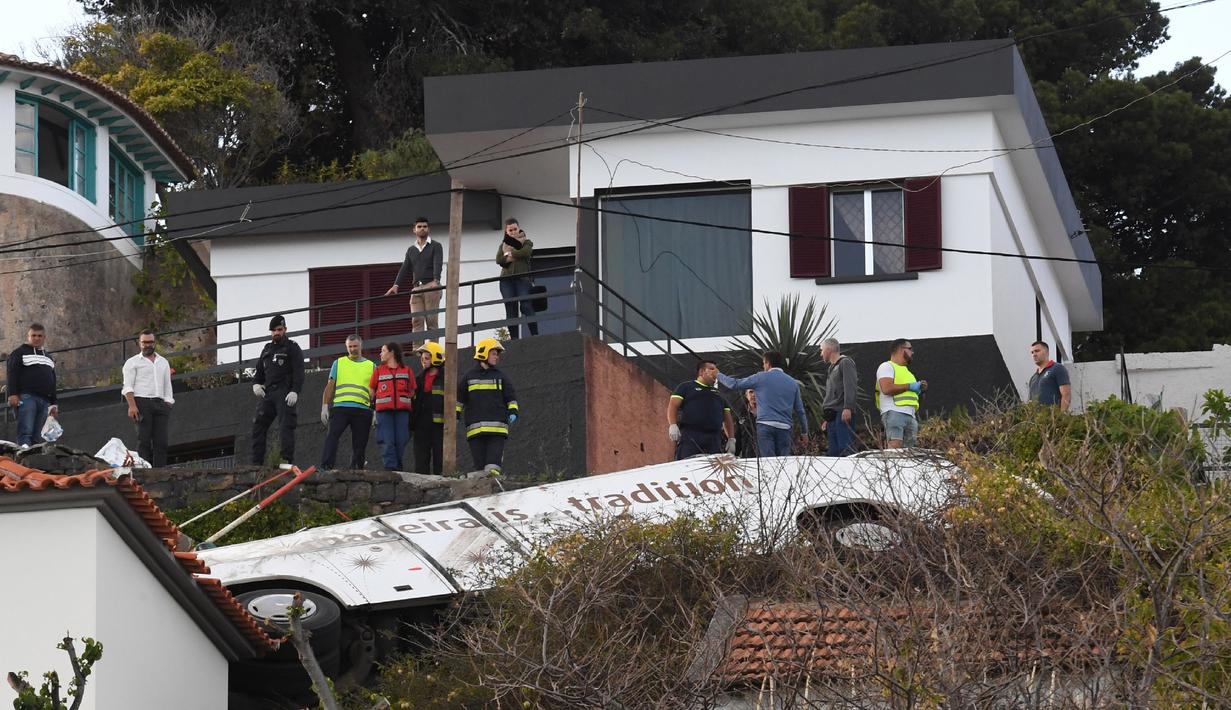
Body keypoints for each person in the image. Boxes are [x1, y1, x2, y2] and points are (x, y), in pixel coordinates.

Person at [717, 352, 808, 457]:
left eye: (764, 364)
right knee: (783, 463)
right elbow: (800, 411)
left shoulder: (761, 377)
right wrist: (804, 432)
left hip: (765, 426)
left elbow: (734, 384)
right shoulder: (792, 383)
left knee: (768, 463)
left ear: (768, 363)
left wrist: (718, 375)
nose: (763, 367)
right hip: (785, 428)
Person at [457, 338, 518, 476]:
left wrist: (513, 411)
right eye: (494, 353)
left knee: (493, 468)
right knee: (479, 469)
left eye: (497, 354)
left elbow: (511, 397)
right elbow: (459, 399)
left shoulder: (501, 377)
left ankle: (494, 489)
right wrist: (455, 414)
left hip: (497, 429)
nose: (496, 357)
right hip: (475, 430)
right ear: (483, 353)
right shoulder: (468, 377)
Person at [251, 315, 305, 466]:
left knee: (285, 426)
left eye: (279, 329)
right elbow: (259, 372)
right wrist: (256, 384)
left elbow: (299, 371)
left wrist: (295, 390)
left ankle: (285, 461)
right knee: (258, 426)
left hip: (284, 392)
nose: (276, 333)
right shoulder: (266, 349)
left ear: (285, 330)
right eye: (274, 330)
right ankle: (256, 464)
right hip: (268, 393)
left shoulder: (292, 347)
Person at [384, 217, 444, 348]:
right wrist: (396, 285)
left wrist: (436, 280)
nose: (422, 228)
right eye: (419, 226)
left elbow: (438, 263)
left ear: (428, 229)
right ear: (414, 230)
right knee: (416, 320)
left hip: (431, 286)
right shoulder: (411, 250)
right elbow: (405, 267)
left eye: (425, 226)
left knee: (431, 320)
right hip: (416, 288)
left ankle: (434, 350)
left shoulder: (436, 246)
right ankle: (417, 350)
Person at [320, 335, 377, 470]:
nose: (352, 349)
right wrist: (324, 406)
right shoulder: (338, 363)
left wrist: (376, 411)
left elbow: (375, 391)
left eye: (355, 346)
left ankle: (356, 470)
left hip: (363, 409)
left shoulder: (371, 366)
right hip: (341, 407)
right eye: (350, 347)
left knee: (360, 443)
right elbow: (330, 386)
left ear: (361, 346)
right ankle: (326, 466)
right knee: (332, 437)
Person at [121, 330, 174, 467]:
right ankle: (144, 473)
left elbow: (167, 385)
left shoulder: (163, 362)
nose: (147, 345)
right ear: (140, 343)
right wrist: (132, 406)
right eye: (144, 342)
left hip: (160, 404)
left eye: (150, 342)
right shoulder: (132, 363)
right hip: (141, 403)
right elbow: (127, 387)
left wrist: (168, 402)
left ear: (154, 343)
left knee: (161, 442)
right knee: (143, 441)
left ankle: (160, 473)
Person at [668, 360, 735, 459]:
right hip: (691, 436)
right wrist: (672, 424)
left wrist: (731, 438)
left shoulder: (719, 394)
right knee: (687, 466)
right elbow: (673, 405)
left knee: (714, 470)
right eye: (711, 369)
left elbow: (727, 418)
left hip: (714, 439)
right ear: (701, 372)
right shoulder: (686, 387)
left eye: (717, 370)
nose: (715, 373)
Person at [5, 323, 58, 448]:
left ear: (44, 337)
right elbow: (12, 374)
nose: (36, 338)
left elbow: (53, 381)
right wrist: (12, 394)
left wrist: (54, 403)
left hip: (44, 400)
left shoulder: (48, 357)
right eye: (33, 335)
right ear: (28, 336)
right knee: (26, 430)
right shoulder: (19, 353)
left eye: (40, 336)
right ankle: (23, 454)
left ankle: (33, 458)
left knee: (37, 435)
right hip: (26, 397)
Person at [371, 342, 415, 470]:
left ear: (391, 353)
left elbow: (412, 391)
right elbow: (371, 390)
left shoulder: (407, 370)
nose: (381, 353)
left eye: (383, 350)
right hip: (384, 413)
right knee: (387, 441)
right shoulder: (378, 370)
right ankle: (391, 469)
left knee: (401, 440)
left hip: (402, 412)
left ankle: (398, 468)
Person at [875, 339, 927, 449]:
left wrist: (920, 390)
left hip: (910, 415)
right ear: (900, 350)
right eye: (910, 349)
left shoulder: (908, 373)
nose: (912, 352)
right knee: (895, 451)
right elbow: (886, 388)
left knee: (909, 453)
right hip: (894, 412)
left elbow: (912, 397)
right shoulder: (887, 366)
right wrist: (910, 386)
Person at [496, 218, 538, 339]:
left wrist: (509, 254)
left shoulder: (527, 242)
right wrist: (515, 254)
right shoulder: (503, 245)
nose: (513, 232)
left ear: (519, 228)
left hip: (522, 279)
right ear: (506, 231)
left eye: (515, 229)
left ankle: (534, 334)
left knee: (526, 305)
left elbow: (526, 252)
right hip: (506, 280)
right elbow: (499, 260)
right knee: (510, 308)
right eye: (510, 230)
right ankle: (514, 339)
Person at [820, 338, 858, 457]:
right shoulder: (831, 368)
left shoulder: (845, 362)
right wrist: (827, 419)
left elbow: (850, 385)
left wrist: (848, 407)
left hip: (842, 412)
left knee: (845, 449)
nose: (821, 354)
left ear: (828, 349)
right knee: (834, 452)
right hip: (832, 415)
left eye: (822, 350)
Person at [412, 341, 446, 475]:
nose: (423, 361)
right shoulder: (418, 379)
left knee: (440, 460)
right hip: (421, 426)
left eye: (427, 358)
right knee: (420, 460)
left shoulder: (446, 379)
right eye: (422, 359)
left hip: (440, 426)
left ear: (436, 358)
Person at [1028, 340, 1071, 411]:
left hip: (1053, 417)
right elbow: (1031, 402)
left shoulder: (1057, 368)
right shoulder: (1033, 378)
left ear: (1047, 352)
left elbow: (1066, 394)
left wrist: (1061, 416)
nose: (1034, 354)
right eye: (1032, 352)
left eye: (1037, 351)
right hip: (1036, 420)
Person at [735, 390, 759, 458]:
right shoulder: (741, 414)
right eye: (751, 392)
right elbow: (738, 436)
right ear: (746, 395)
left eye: (756, 391)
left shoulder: (769, 413)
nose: (754, 395)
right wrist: (734, 454)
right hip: (748, 457)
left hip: (766, 457)